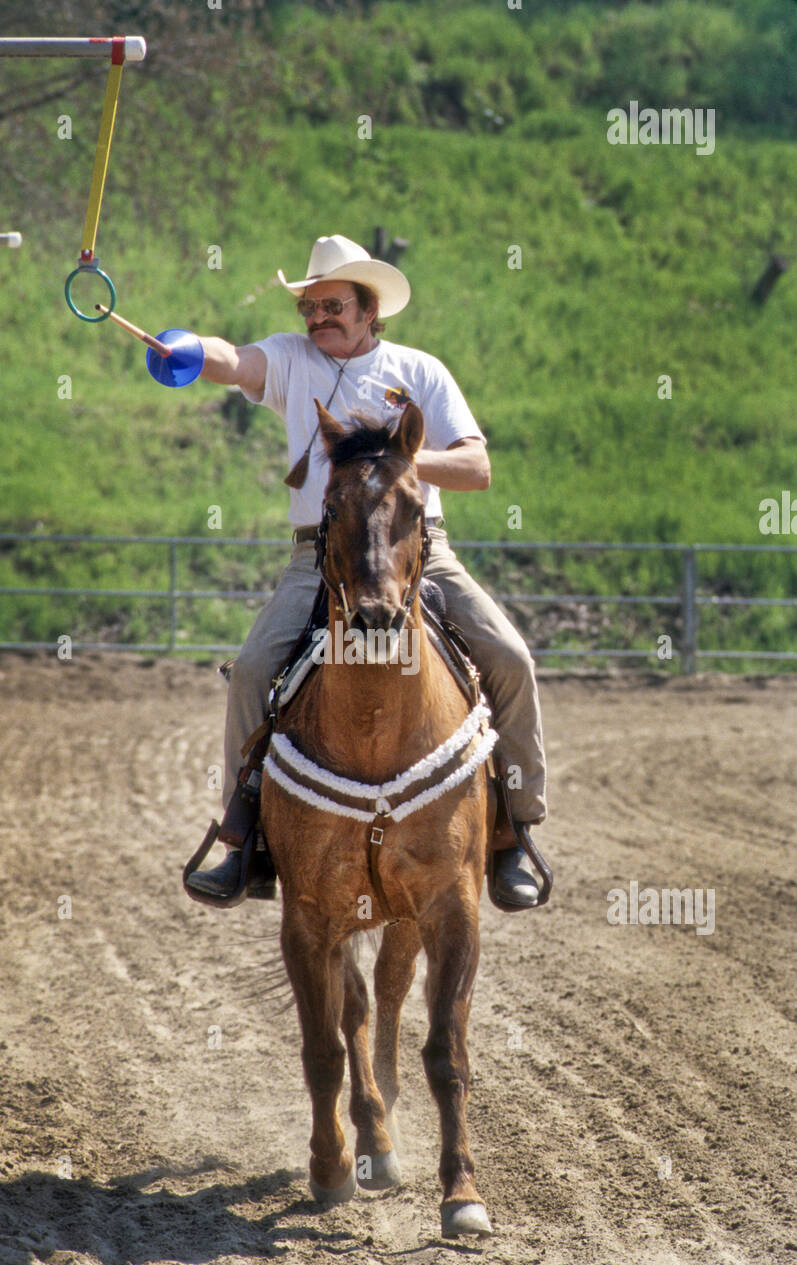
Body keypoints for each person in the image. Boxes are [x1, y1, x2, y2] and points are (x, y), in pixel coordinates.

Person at [186, 234, 547, 909]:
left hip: (421, 548)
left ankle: (513, 834)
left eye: (331, 306)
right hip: (320, 554)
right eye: (309, 308)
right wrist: (180, 348)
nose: (316, 318)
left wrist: (393, 465)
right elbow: (232, 360)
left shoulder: (420, 371)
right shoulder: (289, 360)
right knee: (256, 667)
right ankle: (244, 842)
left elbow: (476, 467)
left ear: (367, 307)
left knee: (509, 657)